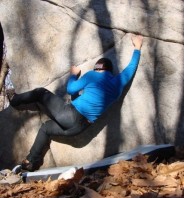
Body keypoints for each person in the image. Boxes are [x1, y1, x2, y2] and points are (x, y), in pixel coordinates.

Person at [9, 34, 143, 171]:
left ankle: (14, 100)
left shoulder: (92, 75)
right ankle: (30, 162)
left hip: (70, 115)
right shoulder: (117, 84)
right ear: (110, 71)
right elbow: (130, 69)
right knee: (46, 128)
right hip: (79, 129)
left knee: (40, 93)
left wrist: (73, 75)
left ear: (98, 68)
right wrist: (137, 47)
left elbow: (71, 89)